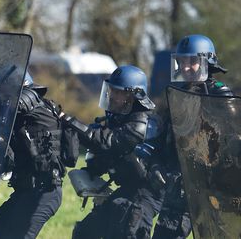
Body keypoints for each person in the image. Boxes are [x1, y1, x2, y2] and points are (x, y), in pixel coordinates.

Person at [63, 65, 167, 239]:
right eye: (112, 91)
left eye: (120, 93)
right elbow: (110, 156)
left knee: (128, 230)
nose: (113, 96)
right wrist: (92, 171)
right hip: (128, 189)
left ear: (135, 96)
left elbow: (110, 143)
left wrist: (71, 123)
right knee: (85, 232)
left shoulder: (143, 123)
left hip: (146, 193)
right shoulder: (119, 119)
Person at [0, 72, 79, 239]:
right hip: (24, 193)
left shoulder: (31, 100)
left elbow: (15, 105)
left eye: (3, 89)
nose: (0, 94)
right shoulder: (19, 112)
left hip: (44, 193)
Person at [153, 34, 233, 239]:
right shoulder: (175, 94)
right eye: (182, 61)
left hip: (211, 187)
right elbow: (162, 136)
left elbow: (230, 140)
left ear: (207, 61)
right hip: (179, 184)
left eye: (193, 61)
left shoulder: (220, 94)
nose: (186, 67)